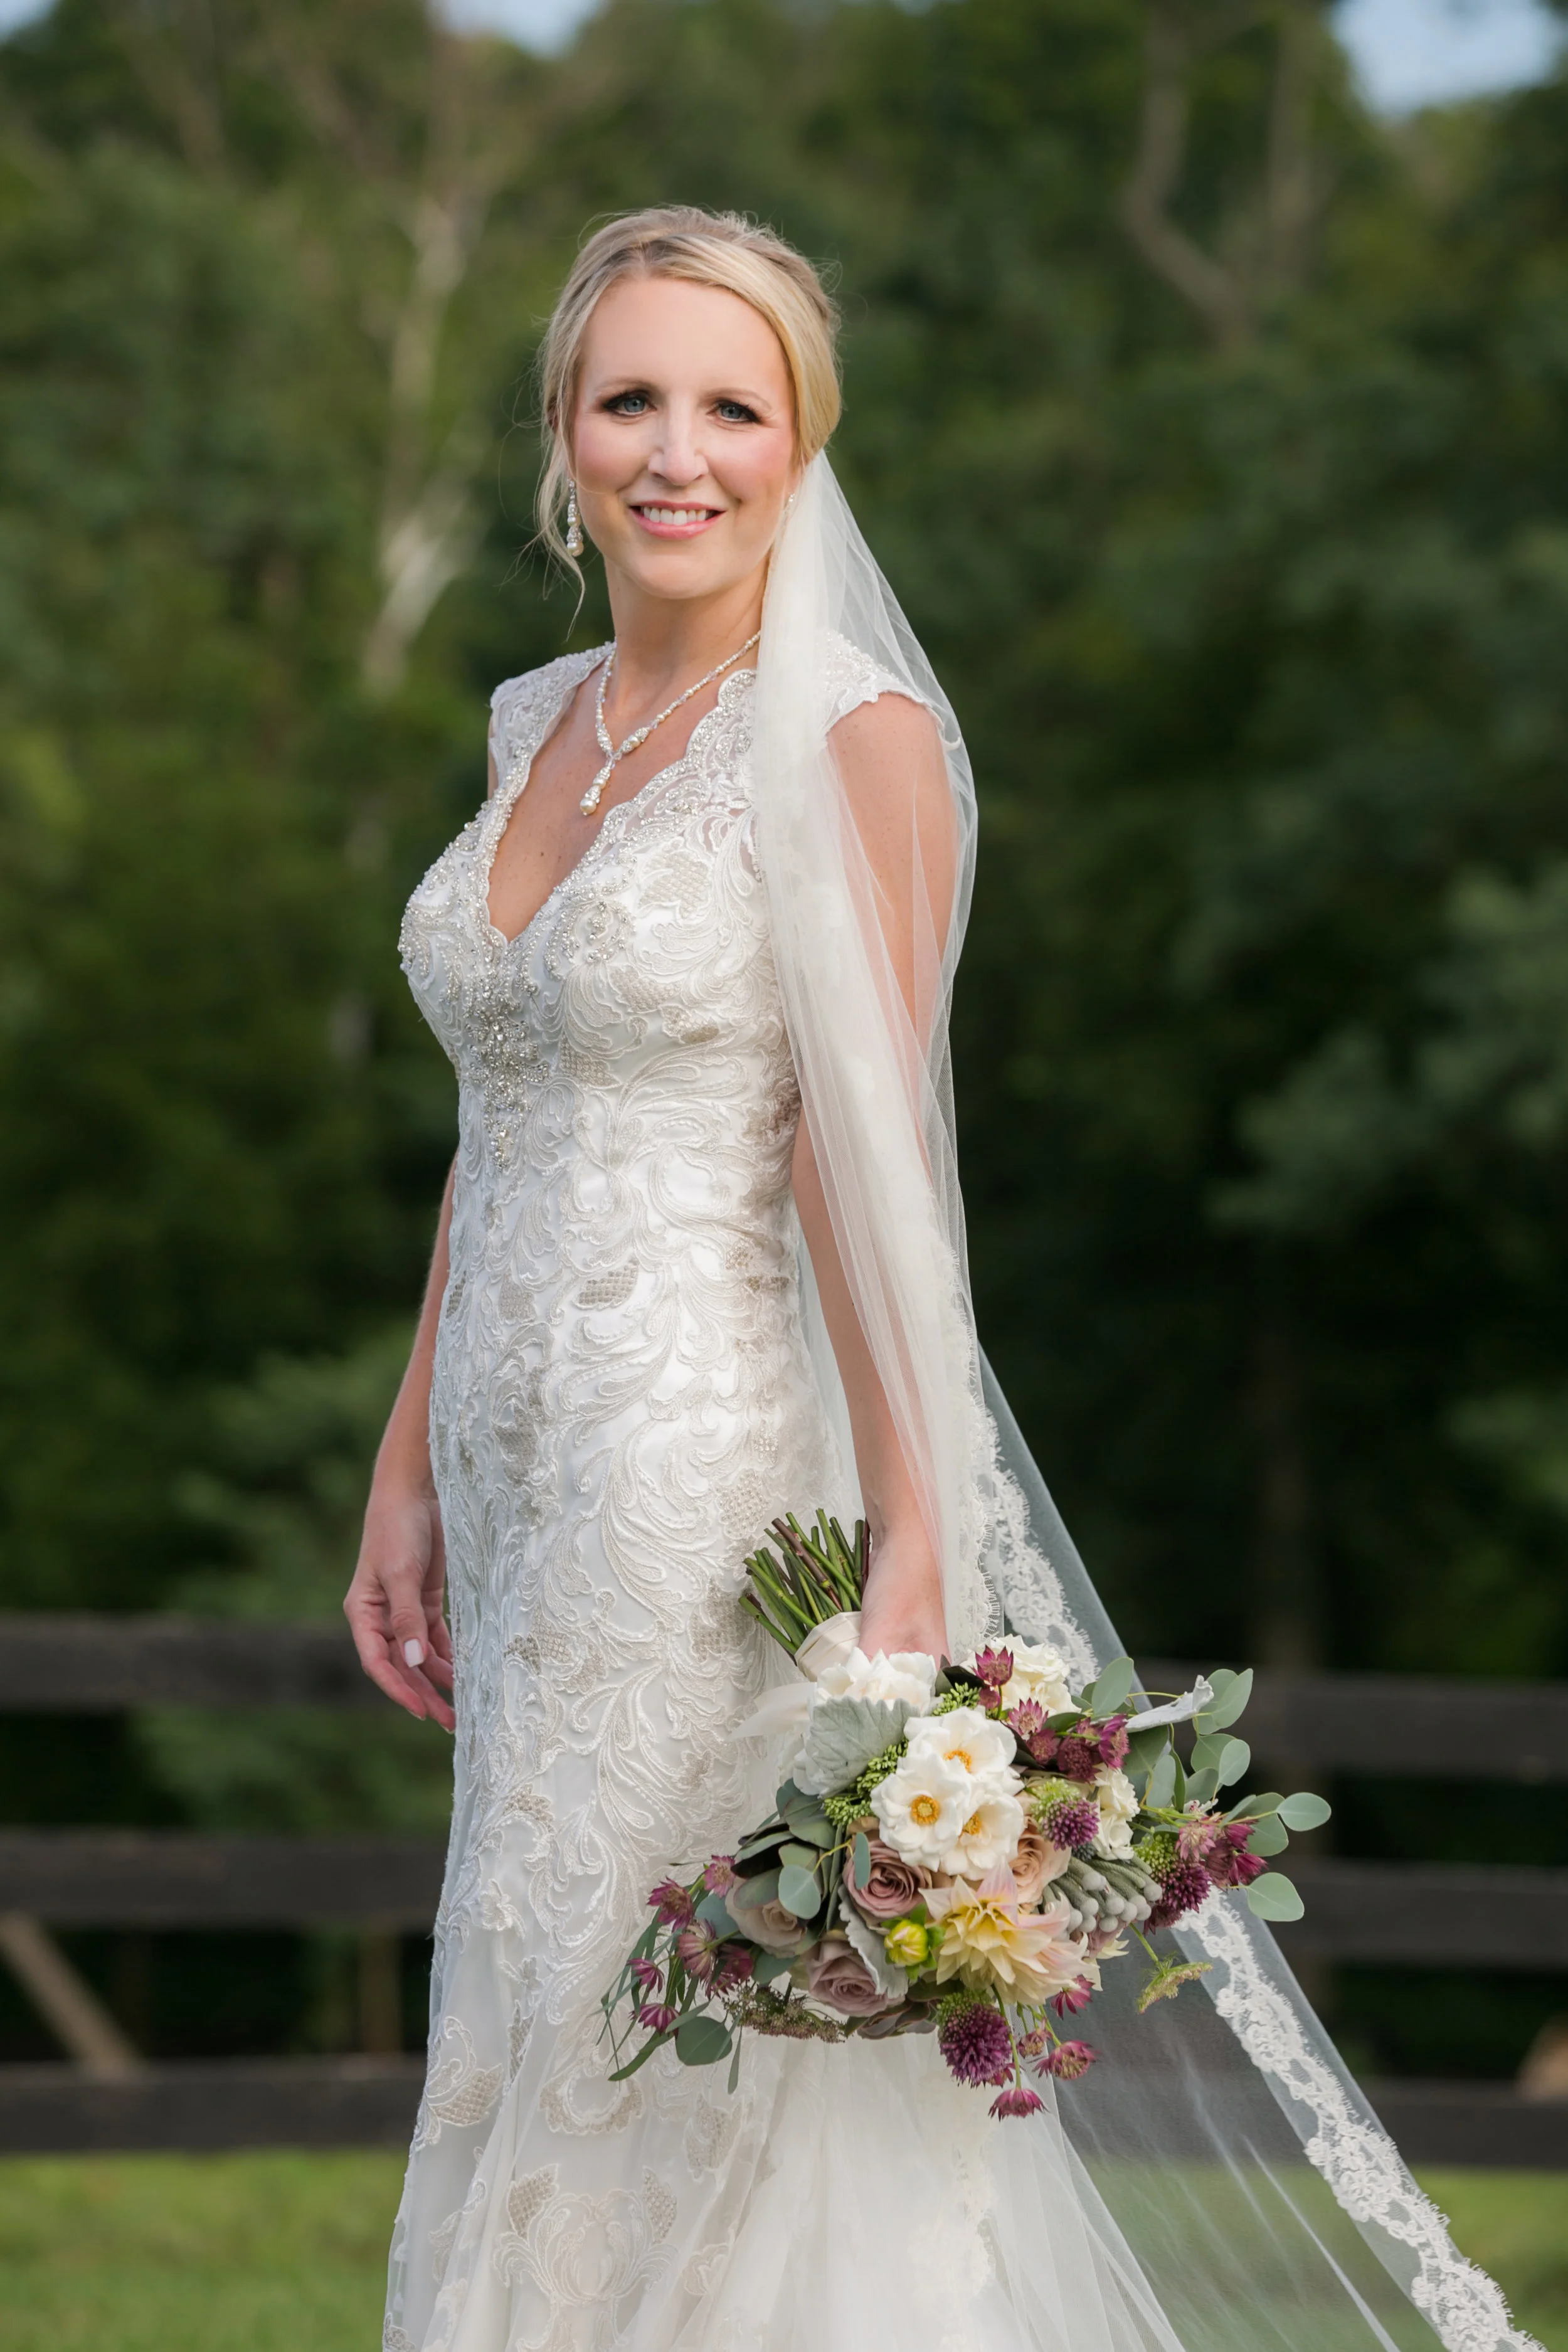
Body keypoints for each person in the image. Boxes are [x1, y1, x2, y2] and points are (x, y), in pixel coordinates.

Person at [347, 208, 1535, 2352]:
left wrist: (912, 1527)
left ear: (804, 448)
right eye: (632, 398)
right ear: (561, 432)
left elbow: (860, 1160)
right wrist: (402, 1460)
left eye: (736, 405)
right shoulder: (534, 711)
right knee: (525, 1968)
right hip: (510, 1470)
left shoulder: (850, 735)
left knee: (655, 1992)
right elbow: (494, 1111)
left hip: (699, 1473)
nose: (676, 450)